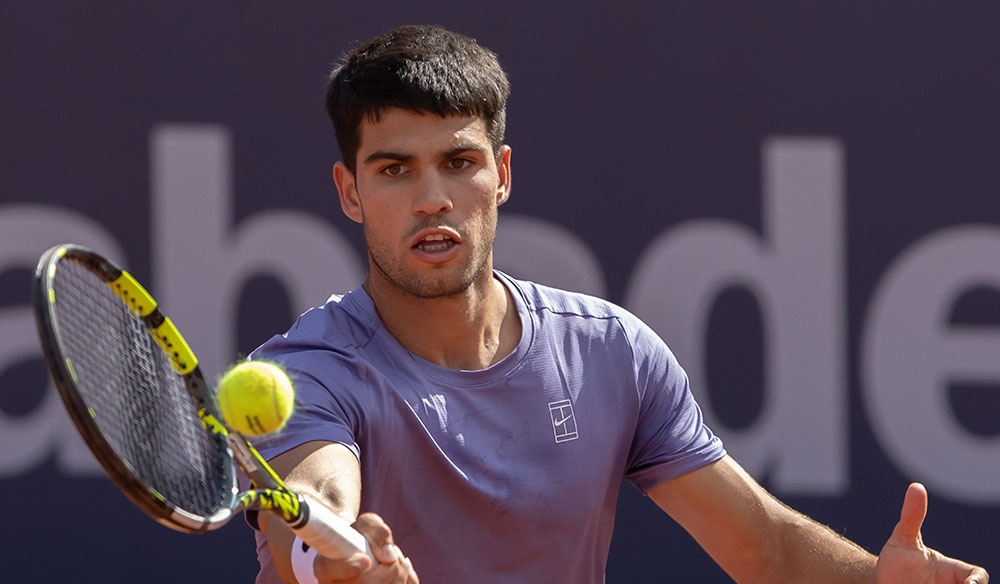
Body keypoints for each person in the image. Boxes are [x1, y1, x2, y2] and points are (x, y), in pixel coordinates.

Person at [246, 24, 990, 584]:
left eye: (459, 162)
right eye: (394, 169)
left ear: (501, 175)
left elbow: (759, 544)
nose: (434, 198)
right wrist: (338, 556)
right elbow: (315, 498)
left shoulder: (608, 353)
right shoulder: (305, 374)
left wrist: (873, 580)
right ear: (351, 192)